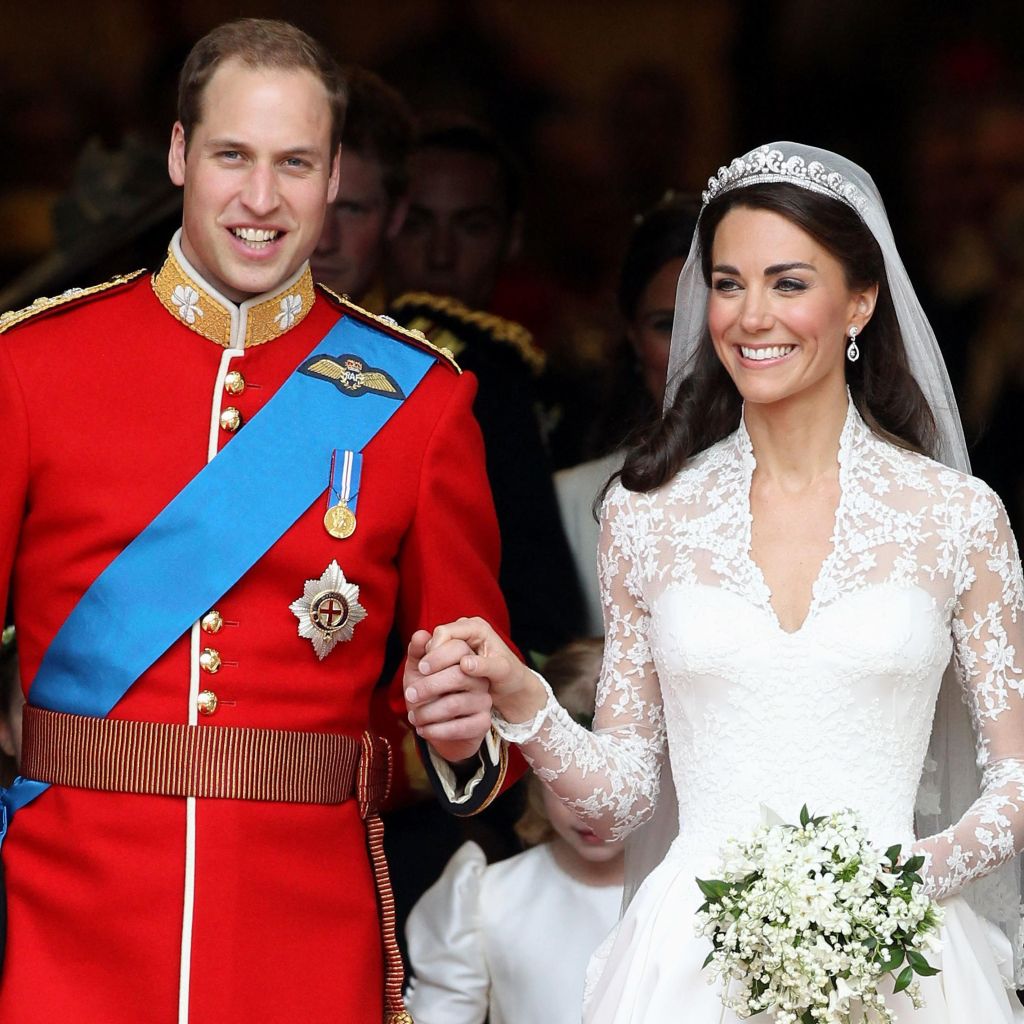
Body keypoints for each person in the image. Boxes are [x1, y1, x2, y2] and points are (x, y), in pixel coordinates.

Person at [407, 142, 1024, 1021]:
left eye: (788, 282)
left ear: (861, 299)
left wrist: (889, 887)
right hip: (693, 964)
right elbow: (619, 800)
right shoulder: (647, 515)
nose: (750, 315)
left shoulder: (958, 516)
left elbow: (1016, 780)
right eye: (728, 284)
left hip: (905, 952)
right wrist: (526, 700)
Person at [0, 19, 511, 1023]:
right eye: (233, 155)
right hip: (68, 934)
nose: (262, 199)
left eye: (296, 164)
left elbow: (479, 717)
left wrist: (461, 734)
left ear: (334, 182)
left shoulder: (421, 402)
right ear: (181, 156)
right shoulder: (32, 368)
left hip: (302, 943)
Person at [405, 638, 623, 1024]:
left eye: (611, 785)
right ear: (535, 772)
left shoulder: (691, 888)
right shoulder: (484, 898)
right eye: (567, 779)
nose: (588, 808)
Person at [555, 193, 699, 634]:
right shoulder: (573, 499)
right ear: (633, 338)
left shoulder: (809, 487)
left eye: (709, 321)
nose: (688, 352)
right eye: (667, 325)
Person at [310, 66, 413, 310]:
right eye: (310, 205)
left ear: (396, 216)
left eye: (352, 210)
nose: (324, 242)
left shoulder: (429, 347)